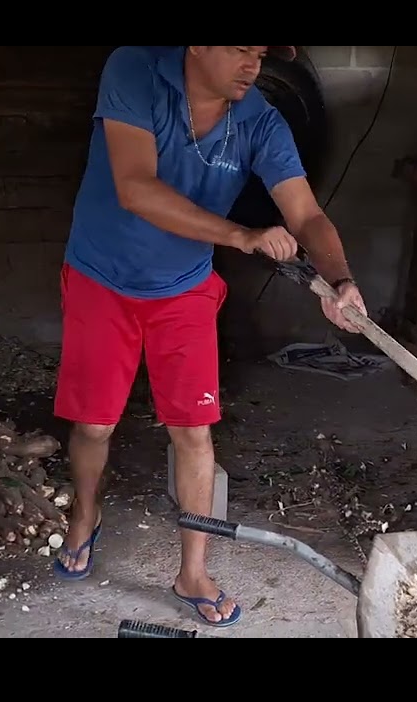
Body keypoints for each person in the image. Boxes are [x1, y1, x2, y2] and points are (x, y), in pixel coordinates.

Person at [51, 46, 367, 628]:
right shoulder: (133, 72)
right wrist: (241, 235)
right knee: (94, 422)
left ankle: (191, 570)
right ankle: (85, 515)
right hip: (103, 275)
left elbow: (305, 213)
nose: (254, 62)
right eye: (241, 48)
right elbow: (135, 187)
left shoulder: (260, 120)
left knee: (193, 433)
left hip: (184, 287)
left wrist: (340, 279)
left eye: (261, 52)